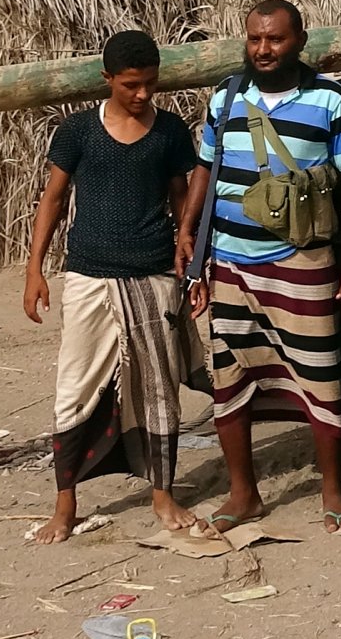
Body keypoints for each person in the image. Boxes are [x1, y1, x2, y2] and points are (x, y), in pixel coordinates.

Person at [181, 1, 341, 538]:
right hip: (232, 262)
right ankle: (245, 495)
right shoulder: (225, 96)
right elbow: (205, 166)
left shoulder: (330, 100)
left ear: (299, 40)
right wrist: (188, 230)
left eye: (275, 40)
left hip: (303, 260)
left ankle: (331, 490)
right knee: (232, 378)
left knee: (319, 373)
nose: (263, 50)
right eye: (255, 39)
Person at [23, 29, 208, 543]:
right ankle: (65, 505)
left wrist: (191, 261)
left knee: (157, 390)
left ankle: (163, 494)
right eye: (131, 85)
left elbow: (181, 201)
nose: (142, 94)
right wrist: (34, 269)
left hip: (153, 275)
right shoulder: (78, 131)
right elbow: (53, 200)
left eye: (150, 84)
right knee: (75, 386)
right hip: (88, 276)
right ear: (107, 79)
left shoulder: (171, 132)